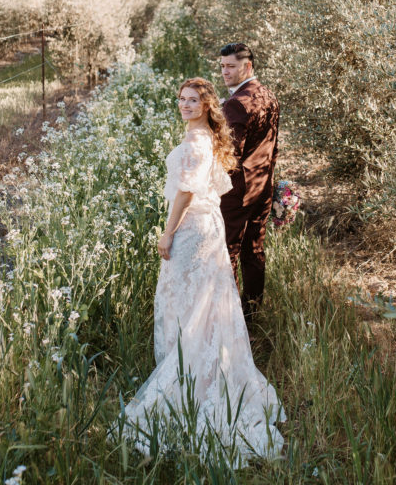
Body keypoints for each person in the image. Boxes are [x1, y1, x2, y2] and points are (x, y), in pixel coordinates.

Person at [122, 77, 284, 463]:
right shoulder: (206, 136)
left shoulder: (197, 140)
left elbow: (187, 190)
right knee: (206, 307)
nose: (185, 104)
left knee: (191, 307)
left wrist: (167, 232)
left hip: (194, 230)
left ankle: (193, 384)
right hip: (208, 227)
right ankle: (209, 374)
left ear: (207, 104)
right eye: (181, 99)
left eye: (193, 100)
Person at [219, 43, 279, 327]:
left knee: (228, 252)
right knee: (254, 251)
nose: (225, 72)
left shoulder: (235, 103)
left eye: (231, 66)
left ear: (248, 66)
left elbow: (229, 156)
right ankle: (251, 316)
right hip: (263, 188)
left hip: (237, 192)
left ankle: (229, 322)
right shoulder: (268, 95)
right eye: (222, 66)